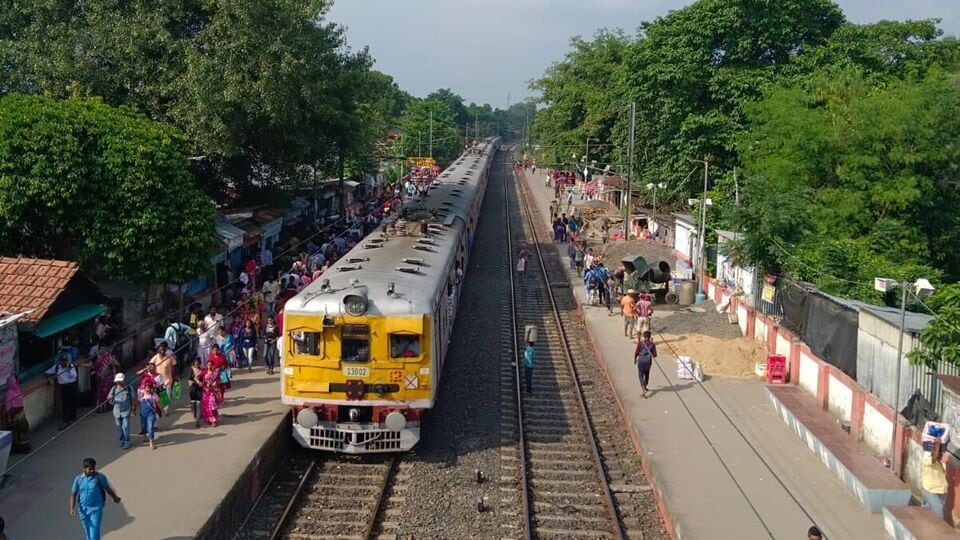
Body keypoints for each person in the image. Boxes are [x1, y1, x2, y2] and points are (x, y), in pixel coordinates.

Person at [70, 457, 120, 540]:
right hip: (83, 510)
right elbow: (73, 494)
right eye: (89, 469)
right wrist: (72, 508)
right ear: (84, 469)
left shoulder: (100, 477)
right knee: (88, 530)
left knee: (94, 531)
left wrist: (115, 498)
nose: (92, 471)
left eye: (93, 468)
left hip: (96, 509)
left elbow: (107, 489)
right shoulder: (78, 479)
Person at [46, 354, 78, 430]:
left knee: (73, 401)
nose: (63, 363)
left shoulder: (71, 366)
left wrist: (68, 369)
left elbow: (74, 376)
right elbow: (47, 372)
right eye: (62, 362)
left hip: (72, 385)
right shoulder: (56, 367)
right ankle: (65, 420)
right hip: (64, 387)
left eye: (65, 361)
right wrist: (50, 378)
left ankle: (72, 417)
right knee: (65, 403)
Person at [144, 342, 176, 414]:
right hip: (158, 380)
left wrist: (175, 377)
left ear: (165, 350)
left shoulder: (169, 356)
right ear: (158, 350)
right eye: (161, 350)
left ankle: (166, 409)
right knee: (159, 395)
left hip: (168, 379)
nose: (162, 351)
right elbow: (149, 365)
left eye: (163, 350)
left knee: (166, 395)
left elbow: (174, 366)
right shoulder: (155, 357)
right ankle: (157, 407)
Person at [922, 438, 949, 517]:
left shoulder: (941, 463)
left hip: (942, 491)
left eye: (941, 452)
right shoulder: (927, 460)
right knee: (939, 515)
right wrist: (937, 445)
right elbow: (934, 458)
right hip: (931, 490)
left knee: (928, 513)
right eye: (939, 451)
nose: (941, 453)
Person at [3, 376, 30, 453]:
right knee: (22, 431)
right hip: (20, 415)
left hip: (15, 416)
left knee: (17, 432)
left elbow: (8, 407)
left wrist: (8, 418)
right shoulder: (17, 391)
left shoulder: (9, 393)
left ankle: (19, 448)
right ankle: (25, 448)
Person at [108, 373, 134, 449]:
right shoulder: (114, 388)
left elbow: (133, 399)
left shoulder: (129, 388)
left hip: (126, 410)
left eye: (120, 381)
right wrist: (110, 397)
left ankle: (127, 441)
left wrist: (133, 409)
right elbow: (109, 398)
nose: (118, 383)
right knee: (119, 427)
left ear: (123, 380)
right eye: (117, 381)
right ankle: (122, 440)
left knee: (125, 426)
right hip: (117, 411)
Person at [92, 345, 119, 413]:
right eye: (100, 349)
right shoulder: (97, 359)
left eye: (103, 349)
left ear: (106, 349)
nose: (102, 351)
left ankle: (106, 407)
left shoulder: (110, 358)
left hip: (108, 378)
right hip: (99, 379)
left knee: (106, 392)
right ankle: (100, 407)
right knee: (99, 393)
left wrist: (115, 377)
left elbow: (114, 368)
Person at [138, 380, 162, 449]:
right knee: (143, 426)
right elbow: (138, 403)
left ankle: (151, 442)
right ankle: (145, 437)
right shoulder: (141, 395)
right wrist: (134, 410)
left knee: (150, 427)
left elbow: (158, 404)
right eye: (146, 388)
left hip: (151, 414)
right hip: (143, 414)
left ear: (152, 388)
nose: (148, 389)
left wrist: (163, 411)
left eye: (149, 388)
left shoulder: (154, 395)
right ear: (144, 388)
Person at [199, 360, 223, 427]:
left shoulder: (215, 373)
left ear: (213, 366)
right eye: (208, 365)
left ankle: (213, 420)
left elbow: (219, 380)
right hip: (205, 392)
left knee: (212, 405)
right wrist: (200, 383)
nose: (209, 366)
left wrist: (215, 384)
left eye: (210, 365)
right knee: (206, 406)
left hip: (213, 391)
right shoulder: (204, 372)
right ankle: (209, 419)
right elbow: (196, 377)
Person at [634, 331, 657, 398]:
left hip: (641, 361)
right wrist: (652, 344)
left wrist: (635, 359)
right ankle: (645, 385)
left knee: (640, 375)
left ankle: (643, 388)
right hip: (648, 362)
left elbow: (636, 352)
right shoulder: (652, 344)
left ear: (644, 336)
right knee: (647, 374)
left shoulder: (640, 343)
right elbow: (655, 355)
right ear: (650, 337)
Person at [188, 358, 204, 427]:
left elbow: (204, 379)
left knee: (198, 405)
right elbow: (189, 379)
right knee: (193, 405)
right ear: (193, 364)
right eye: (195, 364)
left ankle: (197, 420)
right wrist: (191, 382)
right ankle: (195, 416)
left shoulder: (202, 371)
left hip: (199, 390)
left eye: (198, 364)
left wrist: (201, 383)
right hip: (192, 390)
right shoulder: (191, 370)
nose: (197, 365)